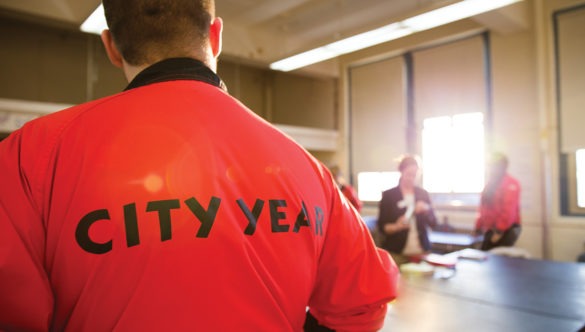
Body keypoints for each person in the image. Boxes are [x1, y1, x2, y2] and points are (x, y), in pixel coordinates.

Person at [0, 1, 398, 330]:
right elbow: (363, 305)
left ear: (111, 46)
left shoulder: (30, 155)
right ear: (216, 35)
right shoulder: (303, 165)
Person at [377, 155, 438, 265]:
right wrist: (397, 226)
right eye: (408, 174)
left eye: (414, 175)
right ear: (401, 171)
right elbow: (382, 227)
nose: (411, 178)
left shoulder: (423, 194)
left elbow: (434, 223)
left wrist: (426, 209)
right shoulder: (389, 195)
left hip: (421, 252)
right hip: (397, 253)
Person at [475, 153, 521, 251]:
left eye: (495, 165)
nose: (492, 168)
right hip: (491, 228)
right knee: (485, 254)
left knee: (499, 257)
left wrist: (499, 231)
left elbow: (509, 210)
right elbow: (483, 207)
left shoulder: (511, 183)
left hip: (506, 229)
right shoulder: (491, 183)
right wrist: (478, 226)